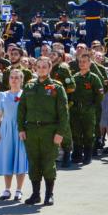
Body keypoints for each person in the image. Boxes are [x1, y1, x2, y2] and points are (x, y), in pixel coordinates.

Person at [18, 56, 69, 206]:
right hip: (31, 130)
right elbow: (21, 110)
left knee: (48, 163)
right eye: (39, 67)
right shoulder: (29, 86)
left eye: (44, 67)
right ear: (35, 68)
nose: (41, 69)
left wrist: (60, 133)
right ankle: (35, 194)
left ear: (49, 68)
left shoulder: (56, 87)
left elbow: (64, 113)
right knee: (33, 163)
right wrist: (21, 128)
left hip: (50, 130)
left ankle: (49, 194)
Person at [0, 69, 28, 202]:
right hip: (6, 129)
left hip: (20, 129)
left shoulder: (25, 94)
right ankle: (7, 189)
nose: (14, 80)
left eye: (17, 78)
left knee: (20, 159)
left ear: (21, 80)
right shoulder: (3, 95)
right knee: (7, 158)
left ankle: (19, 190)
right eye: (12, 77)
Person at [70, 53, 104, 165]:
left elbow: (100, 95)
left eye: (85, 61)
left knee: (89, 133)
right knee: (76, 132)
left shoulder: (94, 78)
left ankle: (88, 155)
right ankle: (77, 154)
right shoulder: (74, 78)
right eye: (80, 61)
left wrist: (92, 106)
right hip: (75, 110)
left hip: (88, 109)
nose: (82, 63)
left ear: (90, 63)